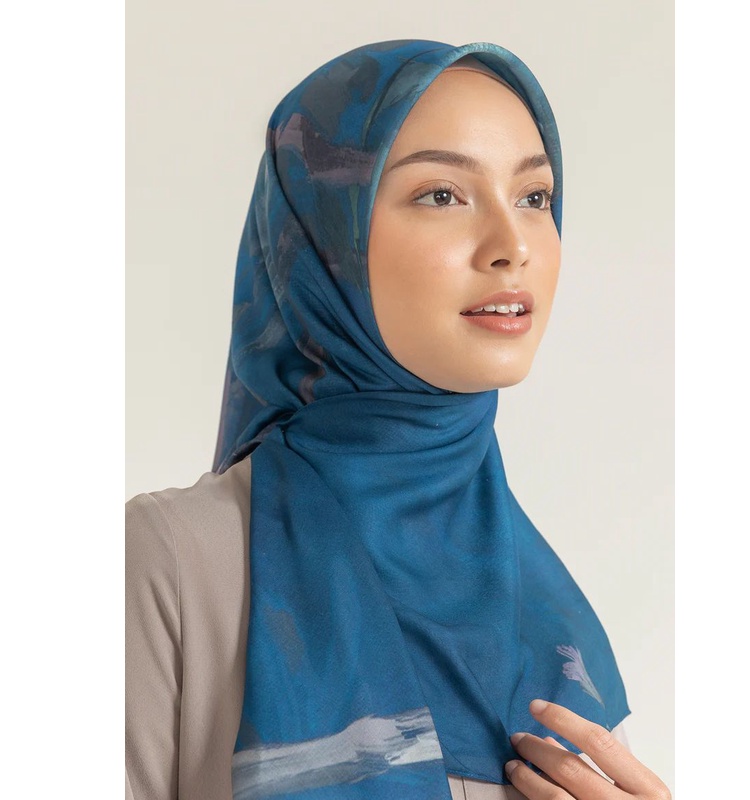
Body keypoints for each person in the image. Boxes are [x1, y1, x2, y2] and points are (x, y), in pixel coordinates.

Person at [126, 39, 671, 800]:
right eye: (442, 195)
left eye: (534, 197)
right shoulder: (178, 562)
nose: (512, 246)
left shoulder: (552, 625)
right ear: (326, 237)